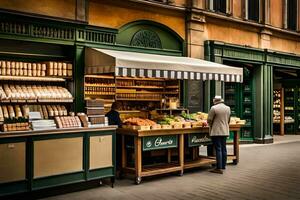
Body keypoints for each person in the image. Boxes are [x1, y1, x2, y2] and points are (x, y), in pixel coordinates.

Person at [207, 95, 231, 174]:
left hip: (216, 131)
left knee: (218, 148)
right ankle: (223, 165)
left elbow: (209, 120)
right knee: (224, 148)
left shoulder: (213, 108)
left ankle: (218, 168)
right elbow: (228, 120)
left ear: (215, 101)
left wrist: (210, 125)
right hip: (225, 130)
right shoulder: (228, 108)